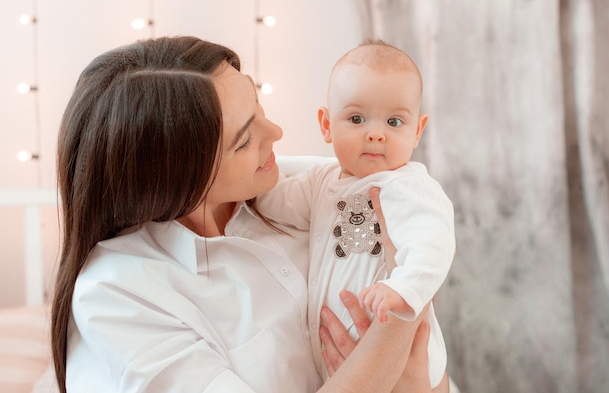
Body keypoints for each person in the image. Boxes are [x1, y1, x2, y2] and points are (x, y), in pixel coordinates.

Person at [50, 36, 442, 393]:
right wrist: (392, 339)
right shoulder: (119, 291)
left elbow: (431, 368)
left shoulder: (316, 184)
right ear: (179, 177)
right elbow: (409, 314)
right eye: (243, 140)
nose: (275, 132)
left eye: (259, 109)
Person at [256, 40, 456, 389]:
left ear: (417, 131)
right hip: (343, 362)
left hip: (399, 351)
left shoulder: (406, 186)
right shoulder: (321, 182)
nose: (376, 133)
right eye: (357, 118)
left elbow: (433, 243)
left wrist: (402, 289)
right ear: (326, 124)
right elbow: (276, 200)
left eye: (394, 121)